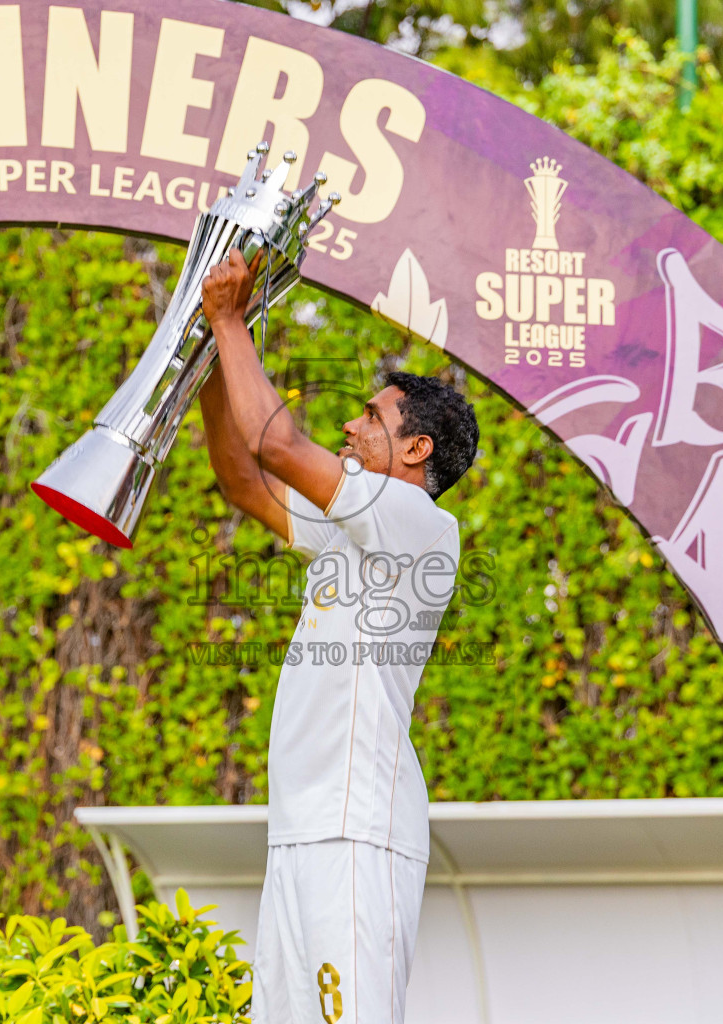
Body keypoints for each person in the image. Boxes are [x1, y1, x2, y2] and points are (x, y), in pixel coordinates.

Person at [197, 246, 479, 1024]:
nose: (351, 426)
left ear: (416, 450)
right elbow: (243, 479)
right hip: (303, 834)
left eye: (373, 417)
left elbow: (278, 446)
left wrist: (229, 319)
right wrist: (211, 358)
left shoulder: (417, 520)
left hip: (358, 833)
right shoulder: (356, 529)